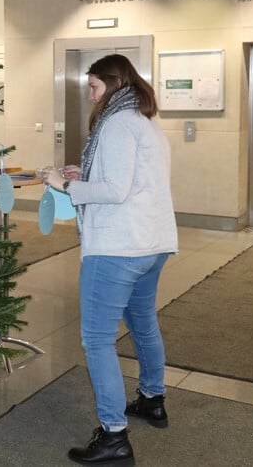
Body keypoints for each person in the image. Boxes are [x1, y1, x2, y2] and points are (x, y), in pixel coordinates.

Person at [40, 53, 177, 464]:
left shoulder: (116, 123)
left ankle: (114, 435)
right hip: (152, 243)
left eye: (95, 86)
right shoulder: (145, 122)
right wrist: (84, 175)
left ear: (115, 83)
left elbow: (116, 190)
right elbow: (132, 180)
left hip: (119, 247)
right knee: (142, 323)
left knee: (97, 340)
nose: (90, 94)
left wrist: (63, 187)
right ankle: (152, 399)